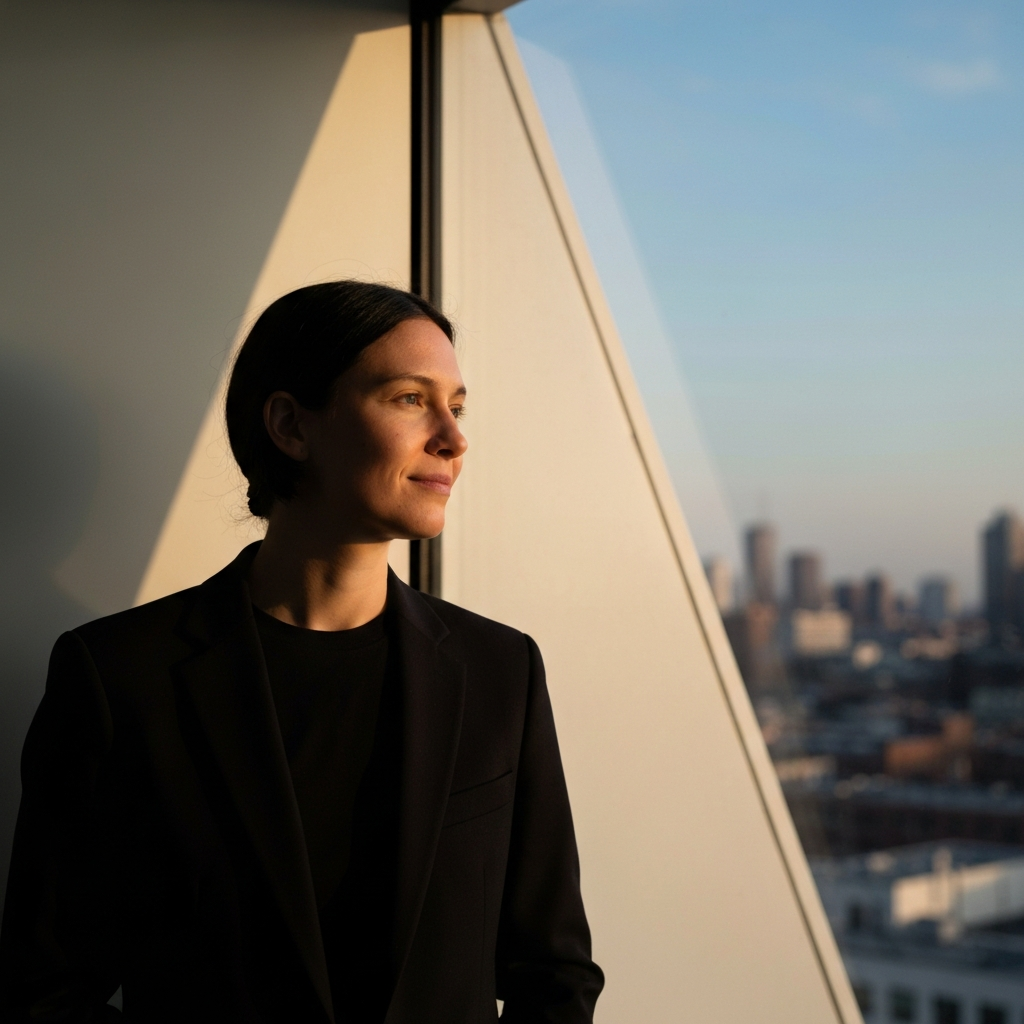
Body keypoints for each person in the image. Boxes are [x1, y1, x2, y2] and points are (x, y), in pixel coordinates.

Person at [0, 282, 603, 1023]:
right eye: (410, 399)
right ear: (290, 424)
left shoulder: (500, 671)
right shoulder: (120, 676)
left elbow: (555, 974)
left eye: (458, 404)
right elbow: (48, 985)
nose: (453, 436)